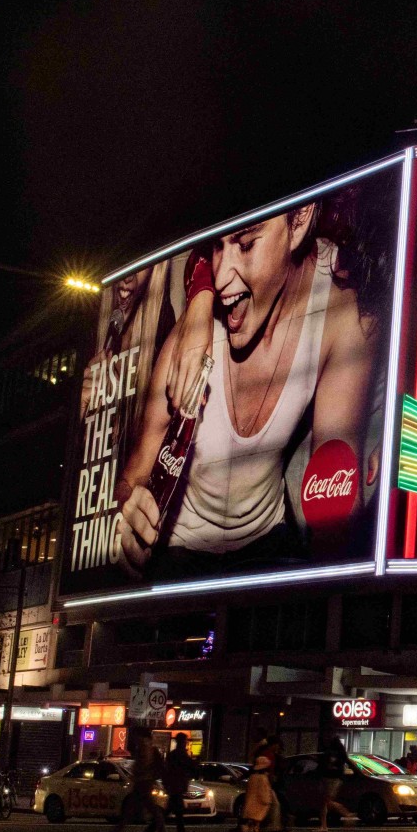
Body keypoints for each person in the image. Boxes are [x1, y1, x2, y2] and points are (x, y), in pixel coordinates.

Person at [114, 200, 385, 579]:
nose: (222, 274)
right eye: (217, 247)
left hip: (270, 545)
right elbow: (134, 475)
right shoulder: (191, 342)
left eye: (245, 245)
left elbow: (334, 495)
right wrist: (129, 515)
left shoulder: (342, 312)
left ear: (300, 220)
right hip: (180, 553)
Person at [105, 732, 166, 832]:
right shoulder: (143, 750)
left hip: (144, 783)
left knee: (146, 809)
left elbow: (147, 766)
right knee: (135, 809)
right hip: (142, 782)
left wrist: (141, 777)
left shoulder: (149, 751)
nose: (139, 741)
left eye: (141, 739)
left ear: (146, 739)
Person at [163, 733, 198, 832]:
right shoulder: (180, 754)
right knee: (176, 810)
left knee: (174, 810)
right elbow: (190, 766)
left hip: (174, 785)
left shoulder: (173, 754)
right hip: (177, 785)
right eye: (185, 741)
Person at [318, 735, 355, 832]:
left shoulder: (332, 753)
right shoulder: (340, 753)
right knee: (324, 802)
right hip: (333, 778)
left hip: (330, 778)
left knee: (327, 801)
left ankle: (346, 814)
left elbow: (328, 764)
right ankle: (323, 826)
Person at [240, 747, 274, 832]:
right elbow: (264, 790)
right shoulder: (262, 778)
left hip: (251, 799)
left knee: (251, 816)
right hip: (260, 800)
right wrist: (267, 800)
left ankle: (249, 829)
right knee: (257, 817)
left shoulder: (253, 776)